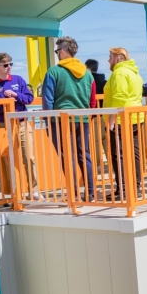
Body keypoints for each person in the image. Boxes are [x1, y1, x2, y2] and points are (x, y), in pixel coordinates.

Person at [42, 36, 96, 200]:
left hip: (61, 119)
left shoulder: (54, 71)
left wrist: (47, 120)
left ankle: (73, 194)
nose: (57, 54)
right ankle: (91, 193)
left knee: (67, 156)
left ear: (64, 51)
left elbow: (47, 99)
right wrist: (89, 116)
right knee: (83, 155)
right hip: (83, 118)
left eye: (58, 51)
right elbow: (92, 100)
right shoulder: (87, 73)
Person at [0, 52, 37, 195]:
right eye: (5, 65)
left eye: (10, 64)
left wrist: (15, 96)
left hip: (22, 122)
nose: (9, 67)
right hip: (3, 124)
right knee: (8, 159)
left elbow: (29, 99)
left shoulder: (18, 80)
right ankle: (14, 192)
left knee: (29, 155)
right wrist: (5, 104)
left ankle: (34, 189)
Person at [103, 47, 144, 200]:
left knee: (117, 155)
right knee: (134, 154)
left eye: (110, 57)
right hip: (135, 117)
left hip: (121, 120)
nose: (108, 60)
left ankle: (124, 189)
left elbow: (119, 97)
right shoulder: (134, 73)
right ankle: (136, 187)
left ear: (118, 58)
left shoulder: (119, 73)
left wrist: (112, 120)